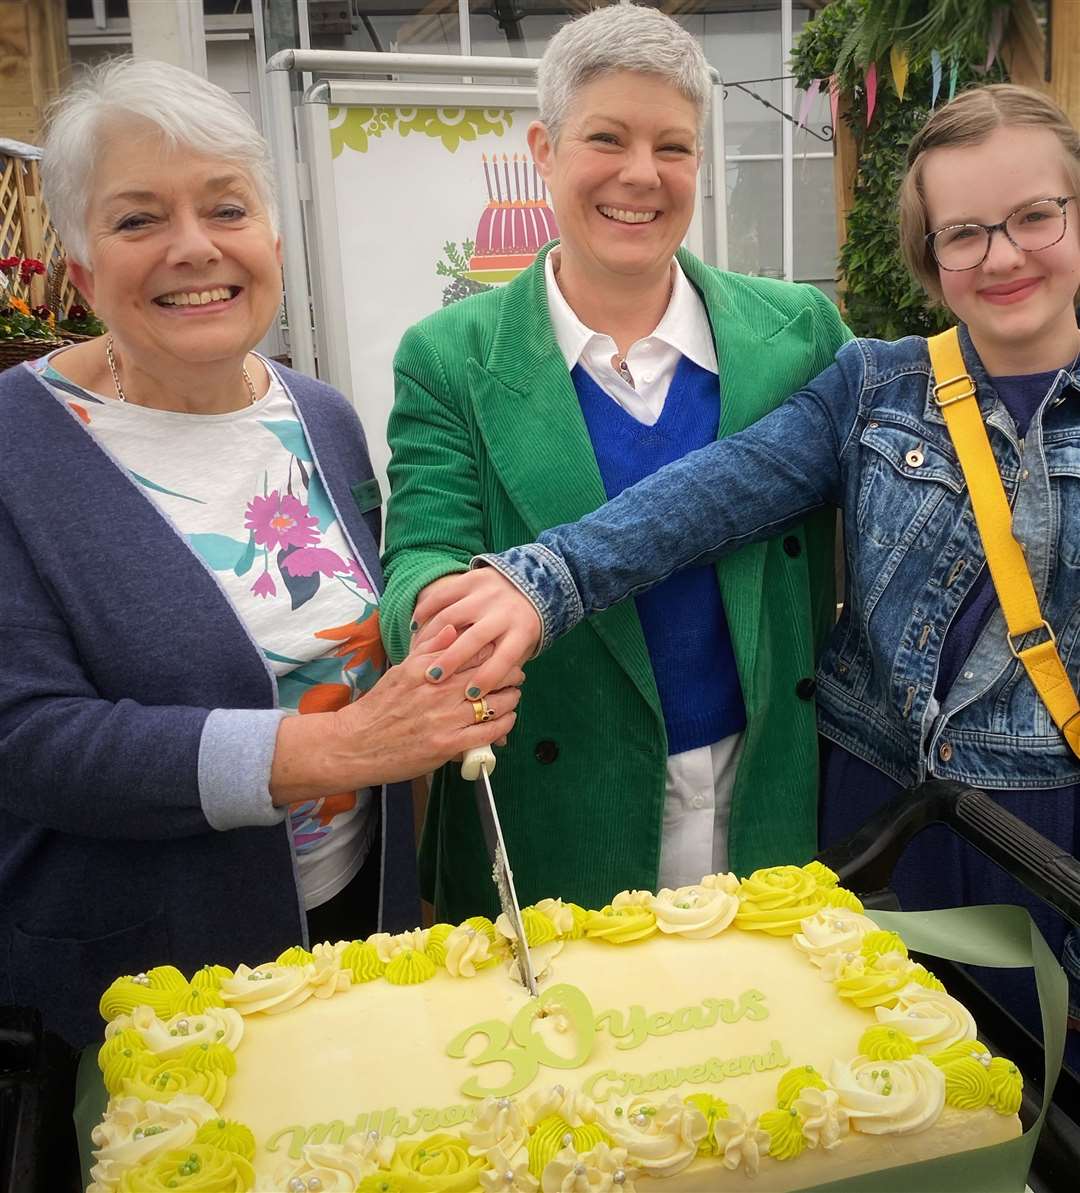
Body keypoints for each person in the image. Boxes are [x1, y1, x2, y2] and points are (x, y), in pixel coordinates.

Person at [416, 83, 1080, 1051]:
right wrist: (542, 577)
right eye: (965, 231)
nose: (1004, 254)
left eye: (1035, 217)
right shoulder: (879, 384)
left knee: (1038, 1083)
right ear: (930, 254)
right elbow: (716, 492)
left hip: (1045, 807)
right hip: (876, 807)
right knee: (864, 1067)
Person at [0, 58, 523, 1053]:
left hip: (352, 932)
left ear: (272, 239)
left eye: (226, 208)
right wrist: (342, 747)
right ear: (79, 270)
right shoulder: (15, 449)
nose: (194, 248)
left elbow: (352, 644)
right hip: (148, 972)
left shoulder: (317, 416)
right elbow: (26, 741)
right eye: (138, 219)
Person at [381, 4, 851, 922]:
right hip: (560, 812)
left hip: (771, 795)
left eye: (673, 147)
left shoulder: (798, 333)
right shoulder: (450, 357)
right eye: (607, 138)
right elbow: (420, 557)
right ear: (543, 150)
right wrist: (444, 620)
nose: (642, 175)